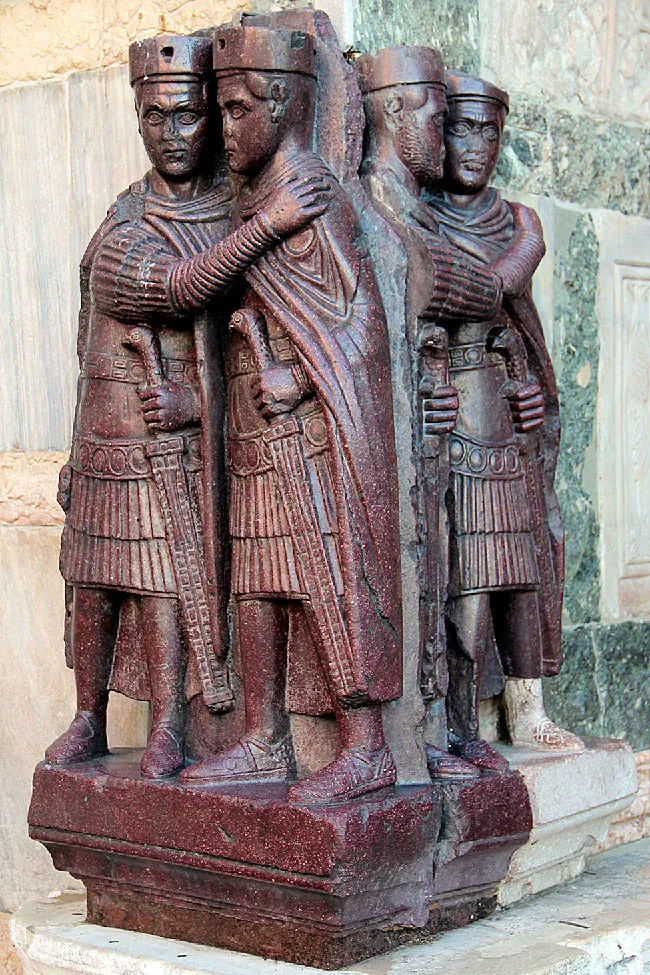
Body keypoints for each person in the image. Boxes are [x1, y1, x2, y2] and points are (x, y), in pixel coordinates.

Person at [47, 33, 331, 779]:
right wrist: (269, 225)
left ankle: (172, 725)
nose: (172, 133)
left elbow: (244, 337)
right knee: (95, 582)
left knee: (164, 583)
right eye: (155, 116)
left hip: (178, 439)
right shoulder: (127, 220)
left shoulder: (231, 209)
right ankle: (88, 715)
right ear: (137, 118)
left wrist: (197, 403)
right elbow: (170, 290)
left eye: (189, 115)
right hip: (110, 423)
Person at [181, 24, 403, 804]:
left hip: (309, 431)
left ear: (282, 103)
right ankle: (264, 738)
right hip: (255, 430)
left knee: (330, 579)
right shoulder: (260, 201)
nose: (225, 127)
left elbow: (361, 326)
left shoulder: (313, 195)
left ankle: (368, 746)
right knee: (258, 584)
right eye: (220, 109)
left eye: (238, 108)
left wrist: (302, 380)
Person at [429, 72, 582, 751]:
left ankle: (527, 706)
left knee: (522, 565)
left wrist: (530, 385)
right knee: (464, 573)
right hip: (451, 424)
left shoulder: (516, 220)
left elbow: (519, 324)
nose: (475, 145)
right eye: (461, 128)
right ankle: (467, 711)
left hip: (506, 423)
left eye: (488, 131)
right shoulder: (419, 218)